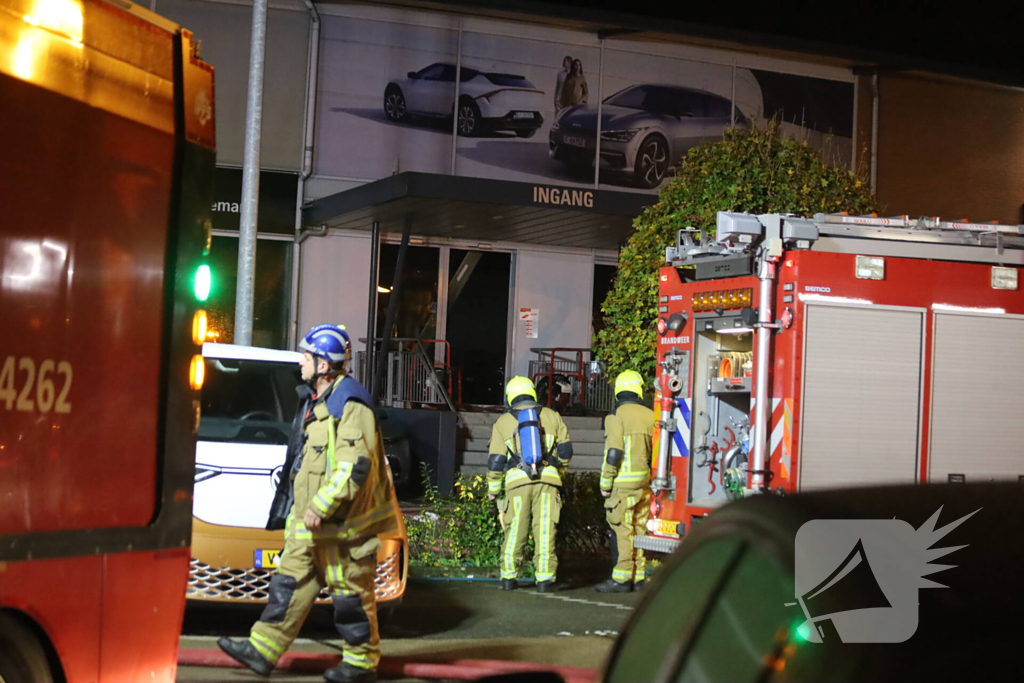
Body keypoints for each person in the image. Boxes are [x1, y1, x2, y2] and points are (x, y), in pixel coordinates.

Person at [218, 324, 397, 683]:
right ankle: (262, 650)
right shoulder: (318, 401)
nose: (301, 362)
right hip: (311, 526)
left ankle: (361, 664)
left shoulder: (349, 404)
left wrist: (320, 506)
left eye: (307, 356)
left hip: (343, 528)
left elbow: (353, 467)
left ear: (324, 365)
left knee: (350, 598)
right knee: (289, 585)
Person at [486, 376, 572, 592]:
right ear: (532, 393)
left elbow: (496, 460)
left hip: (517, 484)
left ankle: (509, 577)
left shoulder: (503, 422)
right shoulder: (552, 416)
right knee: (545, 530)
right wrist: (557, 471)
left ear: (510, 397)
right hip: (548, 482)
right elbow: (565, 452)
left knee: (516, 529)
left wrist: (493, 489)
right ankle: (544, 580)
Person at [596, 370, 654, 593]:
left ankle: (620, 579)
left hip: (622, 484)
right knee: (639, 530)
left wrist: (605, 484)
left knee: (622, 530)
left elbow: (614, 453)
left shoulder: (615, 416)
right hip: (644, 483)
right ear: (639, 390)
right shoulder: (650, 415)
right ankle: (638, 578)